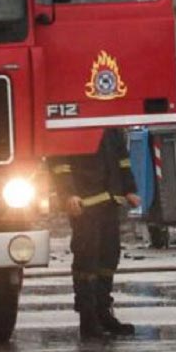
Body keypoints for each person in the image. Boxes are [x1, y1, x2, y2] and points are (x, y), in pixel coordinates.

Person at [49, 128, 140, 339]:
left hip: (110, 199)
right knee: (86, 258)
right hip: (84, 203)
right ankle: (88, 319)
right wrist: (68, 193)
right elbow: (59, 162)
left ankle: (103, 312)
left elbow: (122, 160)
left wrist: (129, 188)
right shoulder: (69, 123)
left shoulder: (111, 128)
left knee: (109, 257)